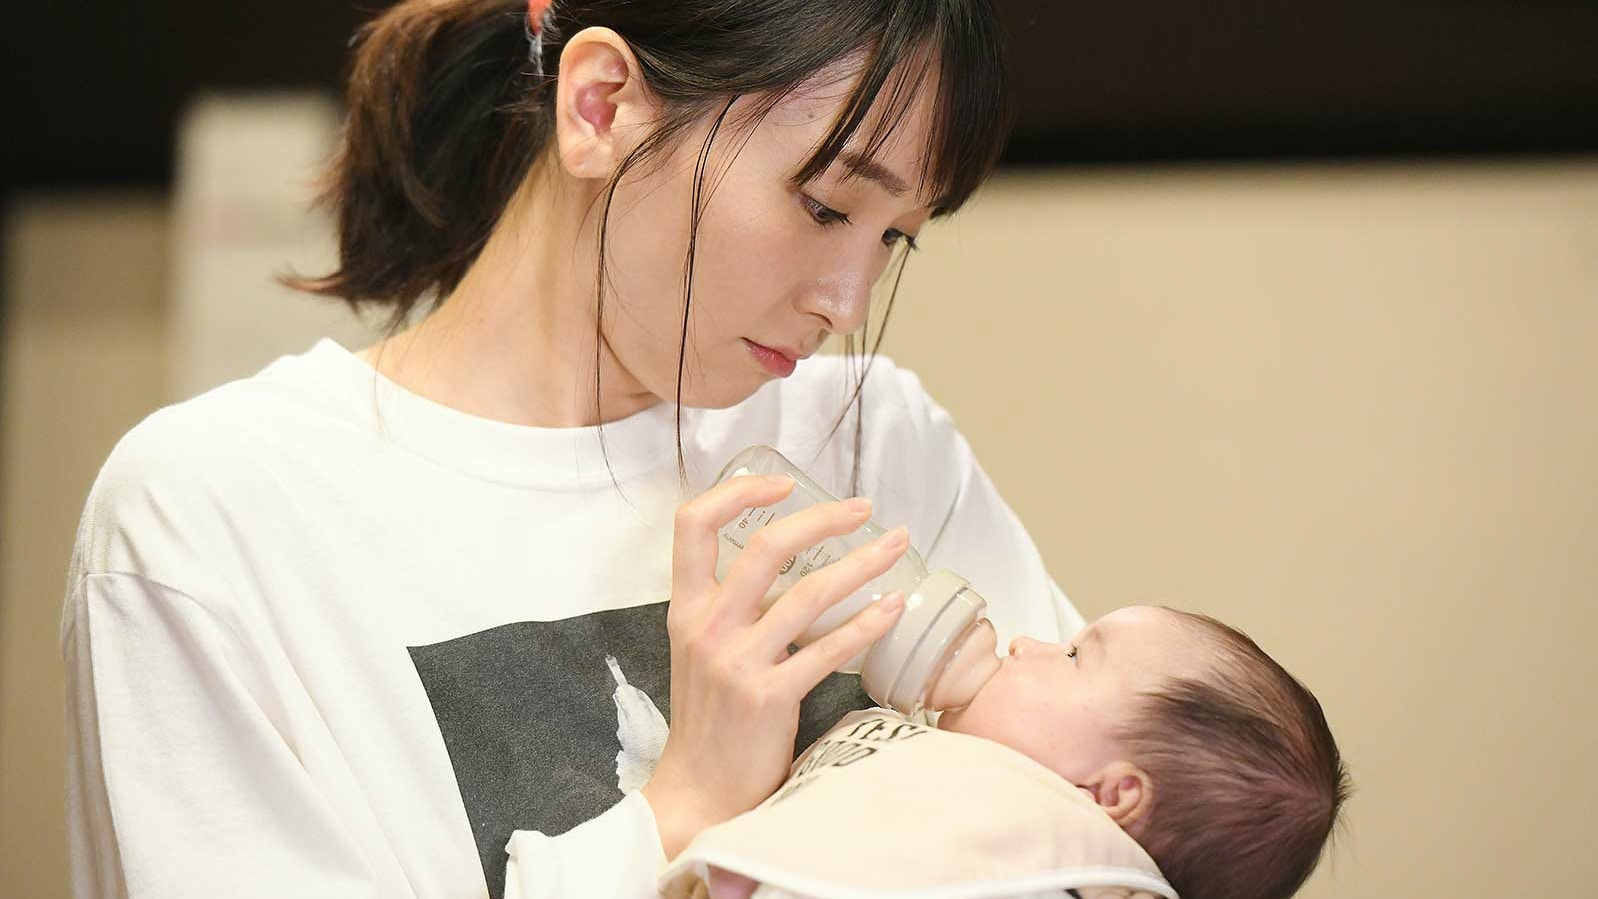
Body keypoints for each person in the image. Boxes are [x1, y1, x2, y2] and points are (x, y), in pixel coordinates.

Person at [60, 1, 1082, 898]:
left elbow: (1109, 816)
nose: (846, 301)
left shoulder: (871, 438)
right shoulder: (215, 513)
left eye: (893, 235)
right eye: (824, 206)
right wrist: (685, 804)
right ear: (600, 107)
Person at [667, 606, 1351, 899]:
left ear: (1110, 794)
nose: (1028, 643)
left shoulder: (1032, 866)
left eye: (1074, 655)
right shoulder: (975, 801)